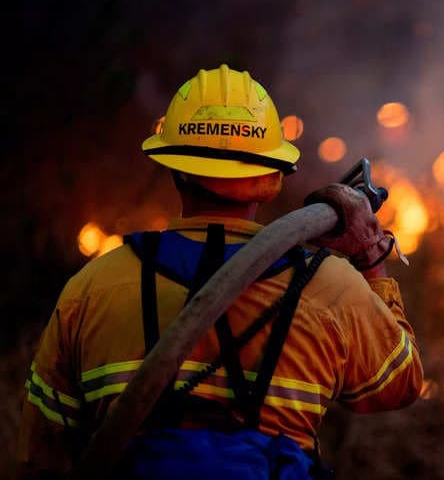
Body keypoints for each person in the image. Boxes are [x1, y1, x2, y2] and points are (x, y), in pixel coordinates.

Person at [15, 64, 423, 479]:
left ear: (174, 166)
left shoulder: (92, 288)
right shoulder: (330, 287)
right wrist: (371, 254)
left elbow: (41, 455)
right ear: (273, 177)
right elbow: (399, 384)